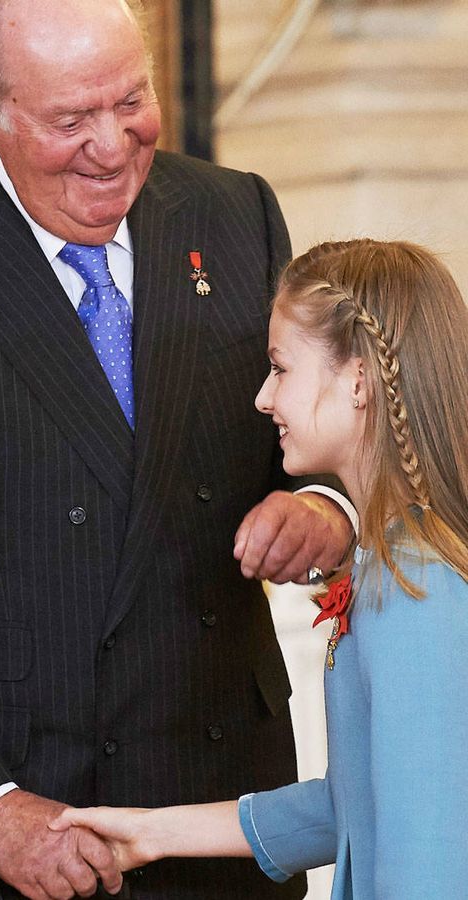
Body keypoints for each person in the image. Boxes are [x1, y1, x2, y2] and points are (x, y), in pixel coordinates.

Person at [0, 0, 357, 897]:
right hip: (7, 828)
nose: (113, 146)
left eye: (131, 102)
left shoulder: (235, 212)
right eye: (71, 120)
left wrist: (327, 510)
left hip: (216, 811)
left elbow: (322, 442)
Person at [52, 238, 468, 897]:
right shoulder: (398, 560)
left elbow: (430, 866)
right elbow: (356, 805)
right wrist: (151, 833)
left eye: (280, 368)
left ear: (358, 379)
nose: (262, 398)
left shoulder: (415, 587)